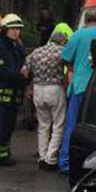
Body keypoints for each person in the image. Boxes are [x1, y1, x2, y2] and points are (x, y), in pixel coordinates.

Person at [57, 8, 96, 174]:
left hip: (80, 85)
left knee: (72, 124)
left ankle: (65, 162)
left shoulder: (77, 35)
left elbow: (65, 58)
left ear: (85, 20)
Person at [0, 14, 28, 168]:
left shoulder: (19, 47)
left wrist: (27, 76)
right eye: (13, 29)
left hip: (12, 96)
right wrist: (18, 76)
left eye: (18, 29)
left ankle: (2, 154)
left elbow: (25, 67)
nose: (16, 32)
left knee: (8, 127)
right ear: (5, 30)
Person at [27, 26, 70, 171]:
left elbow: (25, 70)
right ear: (63, 42)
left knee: (43, 125)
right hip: (55, 89)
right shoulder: (62, 51)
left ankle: (41, 156)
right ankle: (50, 159)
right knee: (58, 125)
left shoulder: (37, 52)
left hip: (38, 89)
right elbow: (70, 67)